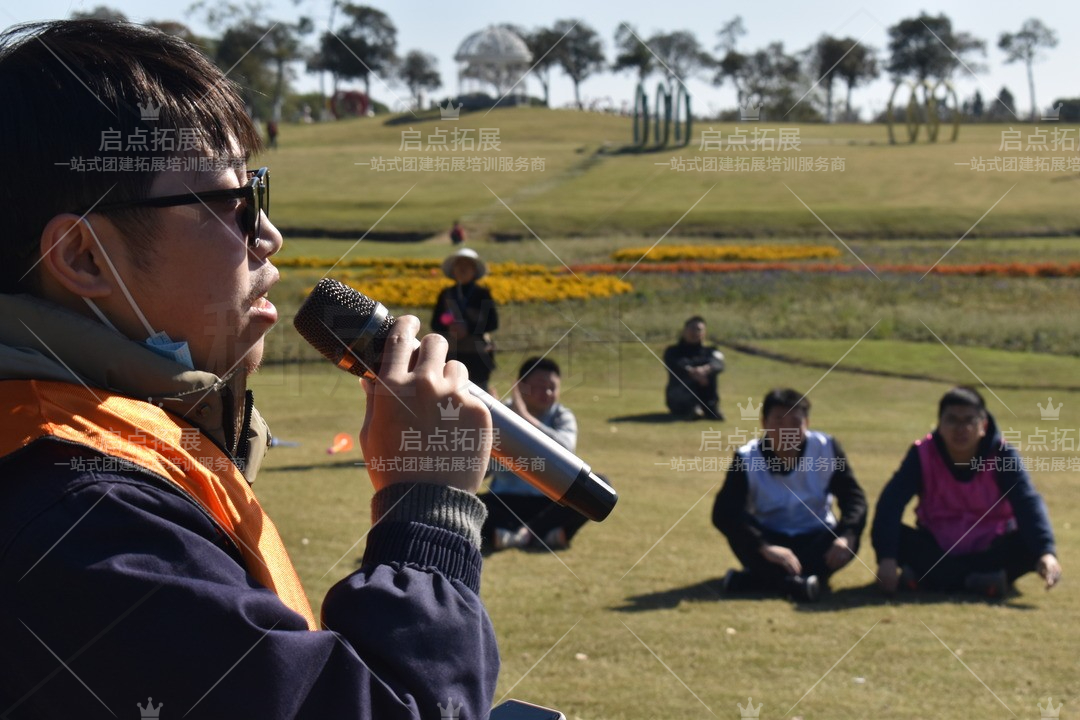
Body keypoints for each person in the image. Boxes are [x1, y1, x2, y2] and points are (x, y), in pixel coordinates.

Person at [0, 20, 498, 718]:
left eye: (257, 188)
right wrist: (427, 509)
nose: (268, 235)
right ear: (84, 257)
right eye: (233, 203)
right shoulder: (85, 520)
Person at [871, 386, 1062, 598]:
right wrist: (886, 558)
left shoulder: (1003, 455)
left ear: (983, 425)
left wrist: (1046, 552)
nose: (960, 429)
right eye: (952, 420)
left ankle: (930, 578)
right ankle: (982, 581)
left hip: (990, 548)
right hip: (936, 546)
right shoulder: (921, 454)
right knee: (897, 535)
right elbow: (891, 502)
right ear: (939, 425)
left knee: (1028, 544)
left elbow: (1027, 502)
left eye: (969, 420)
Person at [712, 389, 867, 602]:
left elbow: (853, 497)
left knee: (851, 538)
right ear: (764, 423)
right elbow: (724, 512)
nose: (787, 430)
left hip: (817, 536)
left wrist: (847, 535)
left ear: (807, 423)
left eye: (795, 422)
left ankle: (755, 581)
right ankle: (801, 583)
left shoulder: (826, 448)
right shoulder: (746, 457)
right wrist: (764, 546)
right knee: (740, 534)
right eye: (778, 422)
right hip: (769, 537)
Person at [479, 357, 588, 551]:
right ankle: (543, 535)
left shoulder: (563, 416)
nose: (546, 393)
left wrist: (524, 419)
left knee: (593, 488)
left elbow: (566, 450)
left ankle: (520, 534)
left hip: (549, 502)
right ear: (521, 388)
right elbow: (483, 471)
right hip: (505, 501)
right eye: (539, 386)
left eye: (552, 387)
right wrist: (487, 423)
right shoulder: (499, 413)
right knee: (465, 499)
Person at [431, 247, 499, 392]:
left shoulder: (483, 294)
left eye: (467, 266)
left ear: (474, 270)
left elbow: (492, 322)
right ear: (453, 270)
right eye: (459, 265)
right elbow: (435, 323)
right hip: (452, 354)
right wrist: (449, 328)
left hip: (477, 357)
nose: (462, 269)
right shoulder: (446, 294)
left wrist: (468, 328)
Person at [663, 316, 725, 420]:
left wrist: (706, 370)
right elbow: (677, 365)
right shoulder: (672, 351)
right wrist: (693, 372)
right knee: (685, 376)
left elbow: (719, 364)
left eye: (699, 330)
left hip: (706, 398)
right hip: (679, 401)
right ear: (684, 331)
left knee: (711, 373)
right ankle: (692, 408)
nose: (695, 332)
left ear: (704, 333)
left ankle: (710, 408)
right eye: (692, 328)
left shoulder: (711, 351)